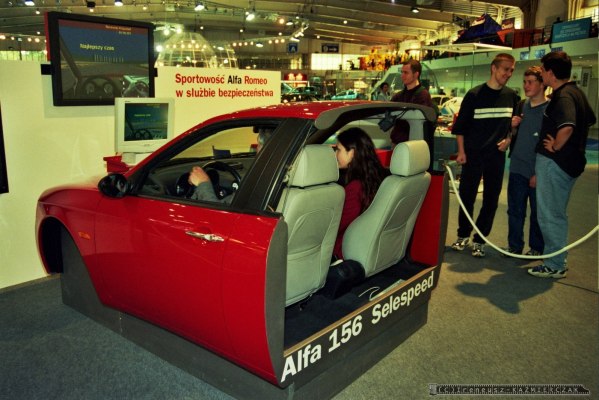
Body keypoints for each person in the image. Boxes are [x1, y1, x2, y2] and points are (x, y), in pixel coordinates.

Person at [528, 51, 596, 279]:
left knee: (550, 215)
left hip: (555, 164)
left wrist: (556, 146)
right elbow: (590, 119)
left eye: (543, 70)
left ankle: (555, 264)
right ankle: (556, 259)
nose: (542, 74)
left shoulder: (563, 96)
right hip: (569, 163)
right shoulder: (577, 93)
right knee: (556, 213)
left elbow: (567, 125)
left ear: (551, 73)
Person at [450, 53, 519, 257]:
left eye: (511, 70)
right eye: (505, 69)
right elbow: (460, 127)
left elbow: (513, 127)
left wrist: (508, 140)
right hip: (472, 155)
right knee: (467, 196)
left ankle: (480, 240)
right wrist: (461, 151)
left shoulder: (512, 96)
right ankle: (463, 235)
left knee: (491, 199)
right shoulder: (474, 95)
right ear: (494, 68)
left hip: (496, 157)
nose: (508, 73)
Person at [504, 66, 548, 257]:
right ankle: (515, 246)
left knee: (537, 213)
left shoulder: (549, 110)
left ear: (542, 84)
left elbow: (548, 144)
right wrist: (513, 128)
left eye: (531, 82)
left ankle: (536, 248)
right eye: (524, 82)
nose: (526, 86)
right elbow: (515, 135)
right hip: (517, 167)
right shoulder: (521, 105)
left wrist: (538, 173)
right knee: (515, 210)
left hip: (537, 170)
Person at [333, 128, 386, 260]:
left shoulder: (355, 188)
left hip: (344, 251)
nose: (335, 154)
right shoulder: (378, 177)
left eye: (338, 149)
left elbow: (337, 226)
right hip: (368, 244)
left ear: (352, 153)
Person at [188, 127, 273, 202]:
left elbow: (217, 214)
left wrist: (203, 182)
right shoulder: (271, 176)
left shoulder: (260, 186)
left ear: (267, 148)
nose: (257, 148)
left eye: (259, 144)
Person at [390, 59, 434, 145]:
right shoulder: (398, 96)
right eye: (402, 72)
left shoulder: (423, 95)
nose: (402, 76)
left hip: (414, 145)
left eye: (406, 73)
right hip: (397, 143)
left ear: (416, 74)